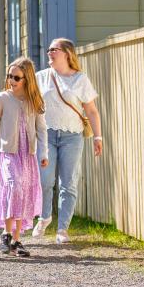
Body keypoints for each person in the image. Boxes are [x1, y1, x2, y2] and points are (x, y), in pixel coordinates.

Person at [33, 38, 103, 244]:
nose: (49, 53)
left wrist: (98, 137)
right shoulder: (41, 77)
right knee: (45, 180)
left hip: (72, 136)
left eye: (54, 49)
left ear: (67, 53)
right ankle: (44, 217)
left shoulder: (80, 79)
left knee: (69, 183)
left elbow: (91, 110)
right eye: (48, 49)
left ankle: (63, 229)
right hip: (46, 135)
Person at [0, 57, 48, 257]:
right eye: (9, 76)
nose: (11, 80)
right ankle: (6, 232)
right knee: (13, 185)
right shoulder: (3, 98)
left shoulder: (34, 101)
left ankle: (17, 240)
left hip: (27, 155)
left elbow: (42, 129)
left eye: (16, 77)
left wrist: (43, 153)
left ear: (27, 79)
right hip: (9, 153)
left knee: (24, 191)